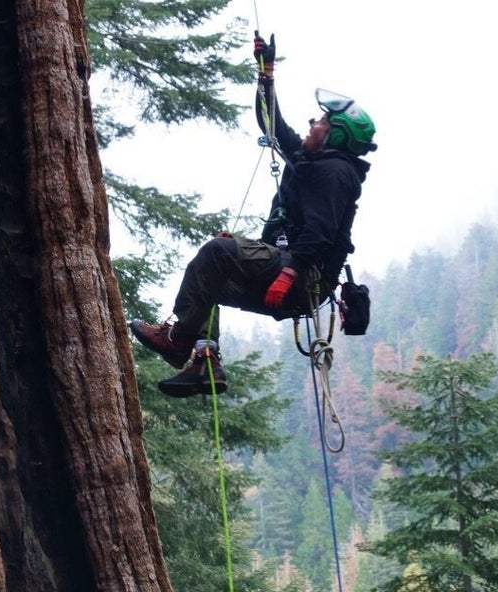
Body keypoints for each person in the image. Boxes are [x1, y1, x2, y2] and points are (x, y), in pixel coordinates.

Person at [130, 31, 377, 398]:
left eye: (321, 122)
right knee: (208, 281)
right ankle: (204, 361)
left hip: (303, 275)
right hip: (290, 273)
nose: (313, 123)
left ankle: (179, 340)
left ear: (335, 135)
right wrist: (266, 74)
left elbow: (321, 233)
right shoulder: (312, 162)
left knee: (217, 253)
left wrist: (289, 272)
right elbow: (271, 125)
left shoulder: (334, 173)